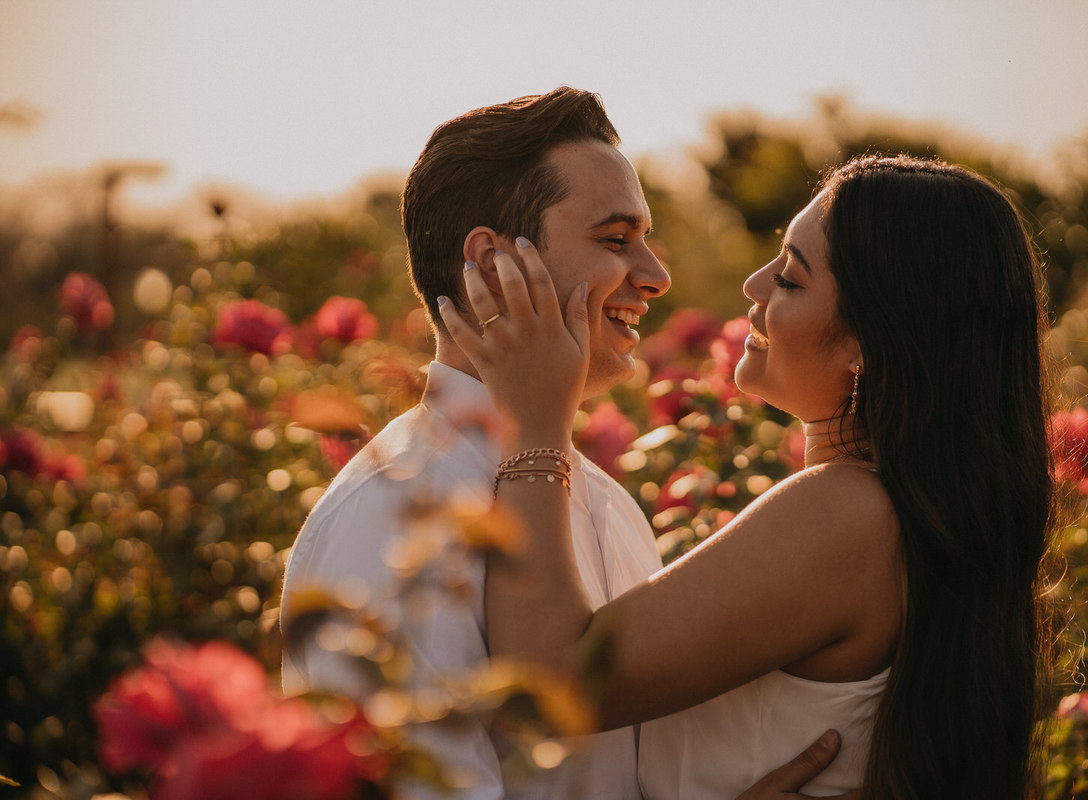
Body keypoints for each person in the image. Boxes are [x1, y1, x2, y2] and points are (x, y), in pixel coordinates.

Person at [280, 87, 852, 800]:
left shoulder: (609, 508)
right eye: (616, 240)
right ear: (493, 265)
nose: (656, 276)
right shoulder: (396, 514)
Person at [441, 154, 1057, 799]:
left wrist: (534, 427)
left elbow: (550, 686)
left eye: (791, 279)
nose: (754, 287)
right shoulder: (900, 514)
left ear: (867, 343)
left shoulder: (847, 512)